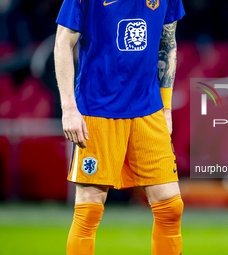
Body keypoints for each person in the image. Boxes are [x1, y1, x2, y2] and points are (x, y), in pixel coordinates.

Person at [54, 0, 185, 254]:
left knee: (170, 207)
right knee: (89, 208)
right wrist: (69, 108)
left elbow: (168, 42)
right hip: (97, 108)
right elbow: (62, 42)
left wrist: (166, 107)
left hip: (148, 108)